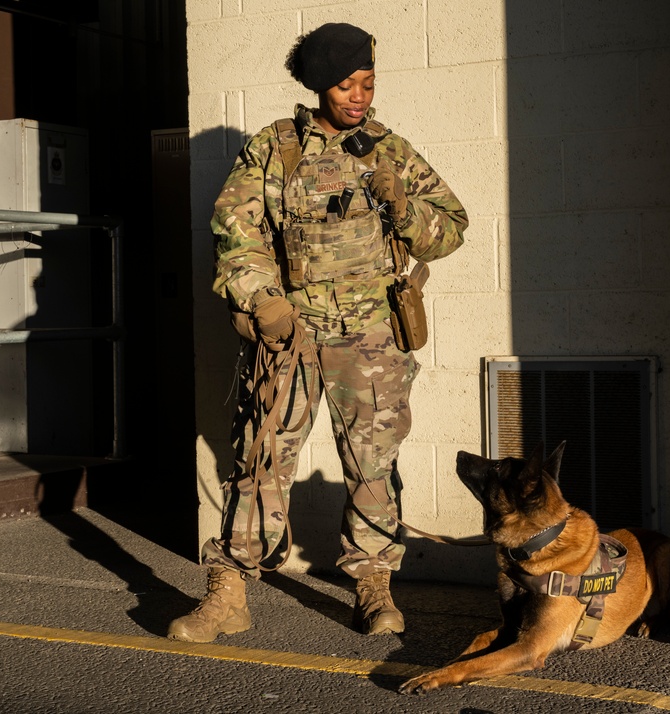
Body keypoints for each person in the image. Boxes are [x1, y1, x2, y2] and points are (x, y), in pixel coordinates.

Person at [167, 22, 467, 643]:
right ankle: (230, 591)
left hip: (371, 339)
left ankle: (373, 586)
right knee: (260, 459)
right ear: (317, 85)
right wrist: (262, 299)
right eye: (344, 83)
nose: (358, 95)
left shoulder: (391, 150)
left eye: (368, 81)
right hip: (293, 333)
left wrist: (405, 210)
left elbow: (452, 230)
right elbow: (235, 232)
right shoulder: (274, 149)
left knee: (372, 464)